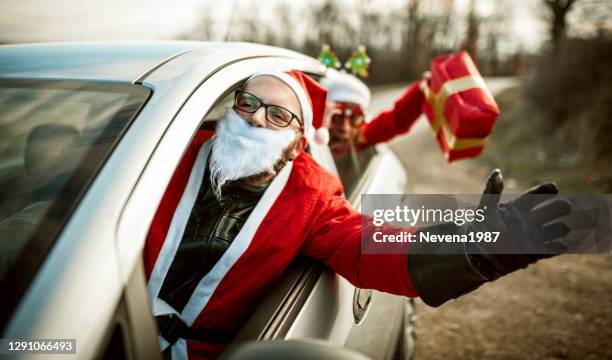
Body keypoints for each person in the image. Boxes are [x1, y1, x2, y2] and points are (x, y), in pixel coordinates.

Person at [143, 70, 571, 359]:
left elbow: (369, 244)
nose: (256, 118)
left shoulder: (310, 193)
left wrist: (472, 247)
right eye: (248, 103)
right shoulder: (171, 151)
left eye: (277, 115)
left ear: (297, 142)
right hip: (98, 326)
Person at [322, 71, 425, 157]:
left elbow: (397, 120)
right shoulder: (308, 136)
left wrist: (422, 90)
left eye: (355, 118)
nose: (345, 128)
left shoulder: (361, 136)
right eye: (336, 116)